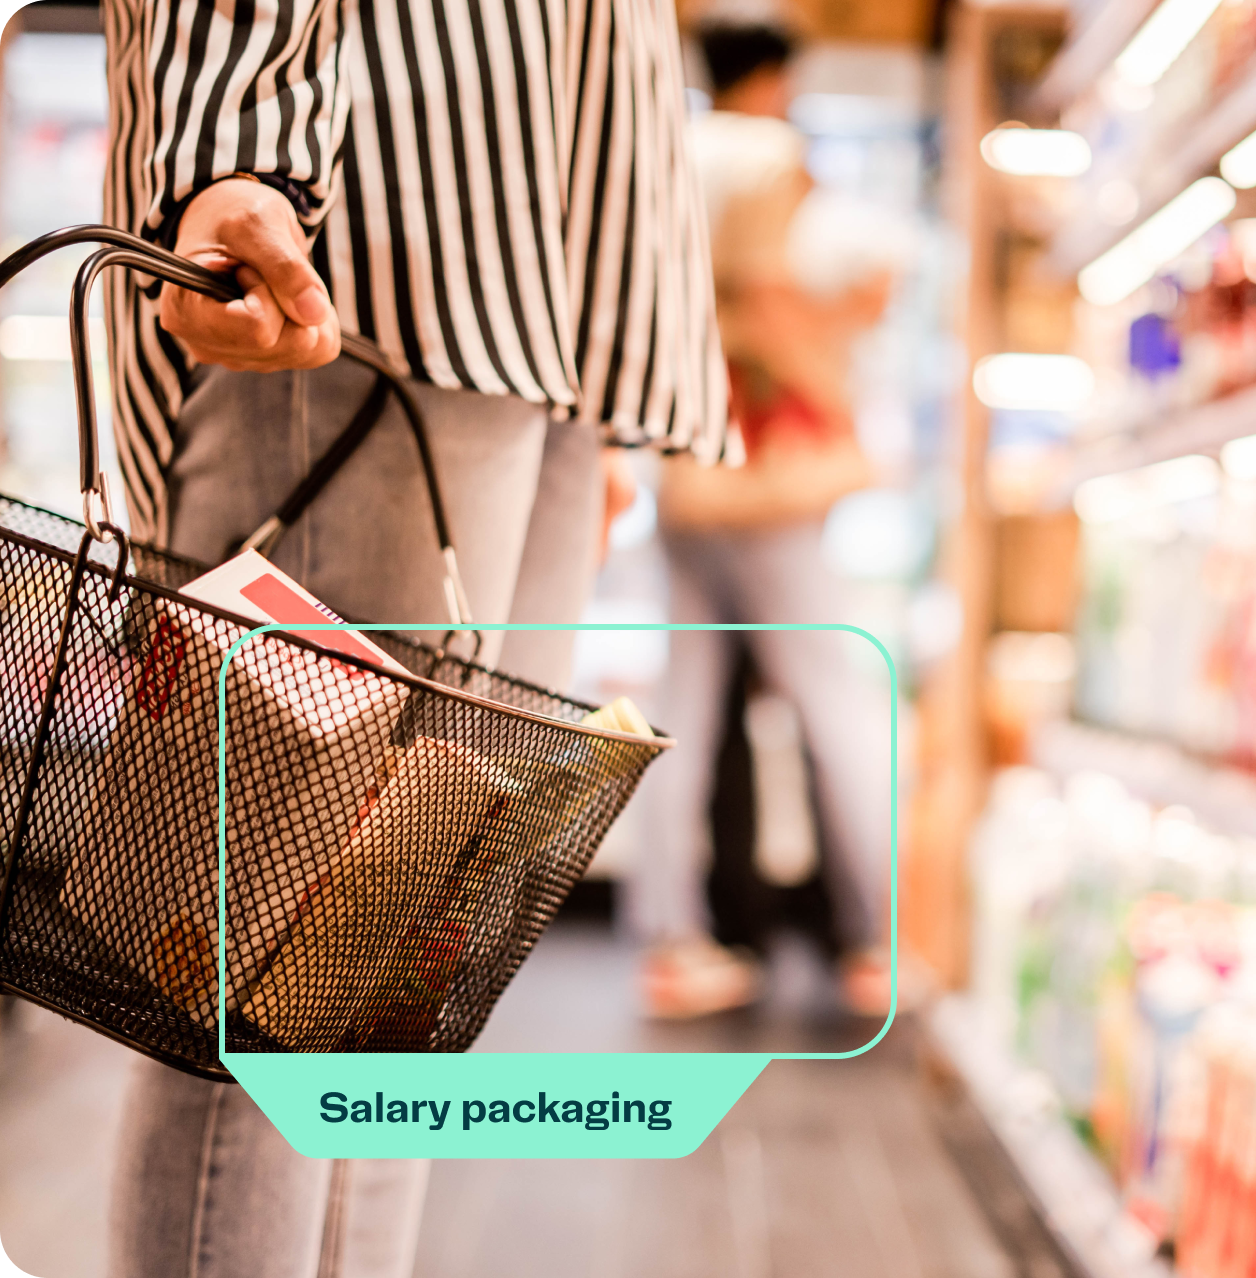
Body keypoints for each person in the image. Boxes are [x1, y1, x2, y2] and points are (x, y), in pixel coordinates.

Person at [98, 0, 723, 1274]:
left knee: (398, 1005)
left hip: (548, 279)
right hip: (362, 239)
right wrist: (236, 144)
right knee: (257, 1015)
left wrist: (594, 379)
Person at [632, 17, 903, 1019]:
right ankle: (877, 941)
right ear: (776, 79)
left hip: (684, 462)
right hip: (768, 471)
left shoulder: (664, 149)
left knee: (683, 714)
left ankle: (670, 941)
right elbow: (768, 303)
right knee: (836, 707)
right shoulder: (773, 157)